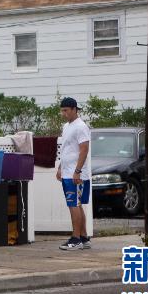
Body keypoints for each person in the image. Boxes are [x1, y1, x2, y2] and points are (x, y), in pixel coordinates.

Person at [56, 97, 91, 251]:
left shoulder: (81, 127)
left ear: (74, 109)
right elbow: (66, 149)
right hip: (67, 171)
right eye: (62, 110)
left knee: (73, 205)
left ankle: (76, 238)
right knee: (76, 204)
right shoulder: (66, 126)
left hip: (76, 174)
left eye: (66, 110)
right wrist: (60, 168)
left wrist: (77, 171)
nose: (64, 113)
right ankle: (83, 237)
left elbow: (84, 149)